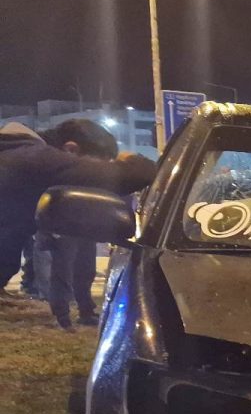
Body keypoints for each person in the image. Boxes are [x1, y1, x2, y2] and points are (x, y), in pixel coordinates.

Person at [0, 119, 155, 298]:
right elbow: (134, 175)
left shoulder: (14, 154)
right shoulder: (35, 159)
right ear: (71, 150)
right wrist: (130, 160)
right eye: (95, 165)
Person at [38, 121, 123, 329]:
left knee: (86, 269)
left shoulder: (78, 171)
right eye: (100, 162)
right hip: (62, 227)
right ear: (71, 150)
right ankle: (62, 316)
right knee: (62, 271)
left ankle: (86, 310)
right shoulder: (47, 170)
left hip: (84, 224)